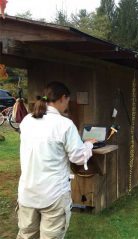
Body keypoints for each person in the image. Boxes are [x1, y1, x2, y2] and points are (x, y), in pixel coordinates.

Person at [17, 81, 97, 239]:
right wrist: (88, 145)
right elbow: (78, 157)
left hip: (27, 193)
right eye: (67, 100)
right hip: (53, 195)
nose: (67, 105)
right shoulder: (65, 125)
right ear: (62, 98)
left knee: (26, 236)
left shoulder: (27, 120)